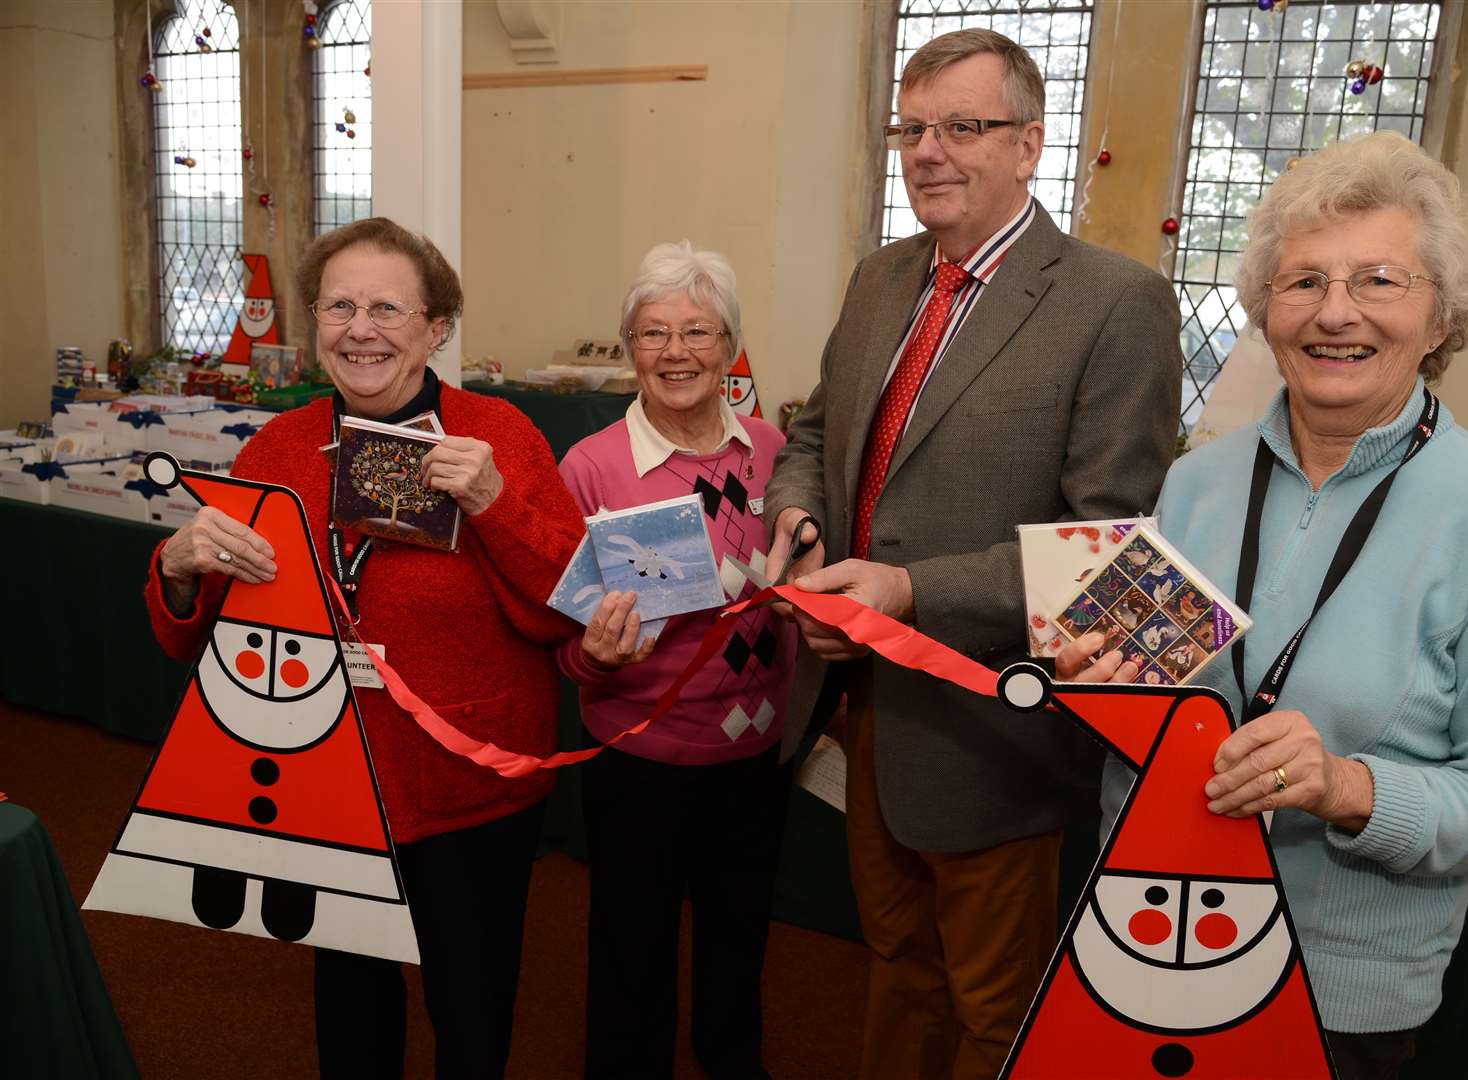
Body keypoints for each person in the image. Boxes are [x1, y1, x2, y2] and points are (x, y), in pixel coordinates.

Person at [1062, 131, 1468, 1080]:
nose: (1335, 312)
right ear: (1265, 309)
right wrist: (1096, 688)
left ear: (1442, 317)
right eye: (1302, 283)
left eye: (1380, 279)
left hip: (1338, 996)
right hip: (1148, 931)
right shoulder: (1194, 483)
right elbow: (1143, 705)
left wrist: (1348, 788)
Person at [763, 29, 1182, 1080]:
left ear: (1031, 143)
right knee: (898, 965)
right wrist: (797, 522)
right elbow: (814, 438)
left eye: (962, 126)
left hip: (994, 731)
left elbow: (1112, 546)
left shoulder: (1113, 302)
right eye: (912, 127)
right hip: (864, 718)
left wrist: (907, 590)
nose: (928, 150)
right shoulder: (879, 280)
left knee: (994, 1008)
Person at [145, 217, 585, 1078]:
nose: (361, 328)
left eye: (388, 307)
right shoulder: (279, 446)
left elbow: (563, 611)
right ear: (316, 323)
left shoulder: (499, 435)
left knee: (471, 1007)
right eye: (340, 305)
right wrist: (176, 566)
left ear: (436, 328)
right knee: (350, 1009)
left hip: (470, 783)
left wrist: (492, 499)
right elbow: (199, 634)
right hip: (328, 778)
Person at [555, 241, 797, 1080]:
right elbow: (564, 638)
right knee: (633, 949)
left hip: (757, 748)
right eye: (653, 333)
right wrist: (596, 655)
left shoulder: (773, 450)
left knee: (741, 941)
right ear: (630, 350)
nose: (675, 352)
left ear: (729, 345)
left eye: (697, 331)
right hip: (642, 752)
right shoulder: (591, 468)